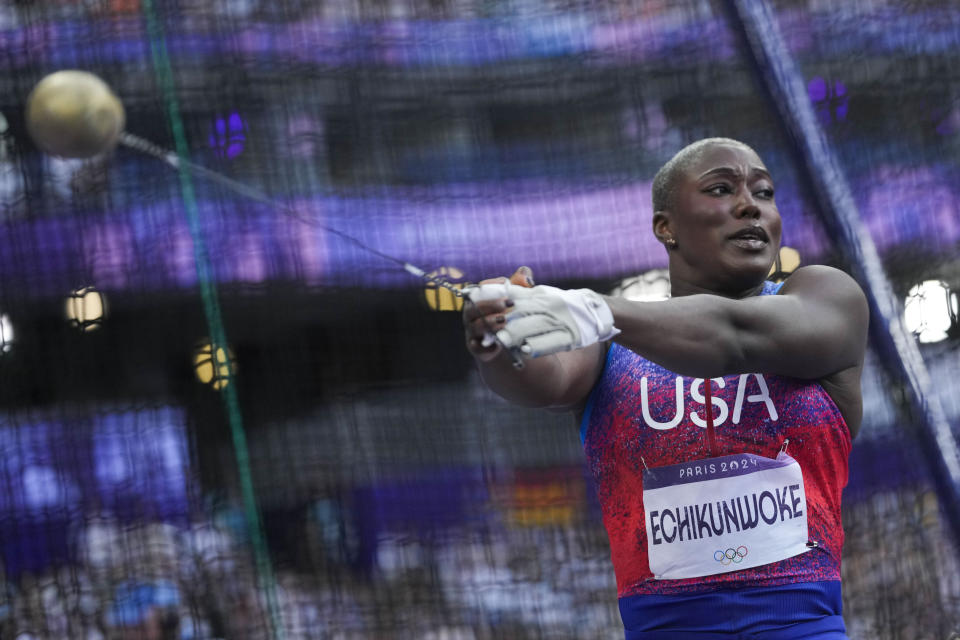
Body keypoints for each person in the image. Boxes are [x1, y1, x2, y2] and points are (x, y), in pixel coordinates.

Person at [462, 138, 868, 639]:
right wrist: (499, 339)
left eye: (764, 192)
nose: (750, 205)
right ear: (665, 226)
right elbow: (541, 382)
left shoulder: (828, 298)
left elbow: (735, 336)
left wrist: (599, 310)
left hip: (803, 627)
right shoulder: (612, 346)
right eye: (722, 188)